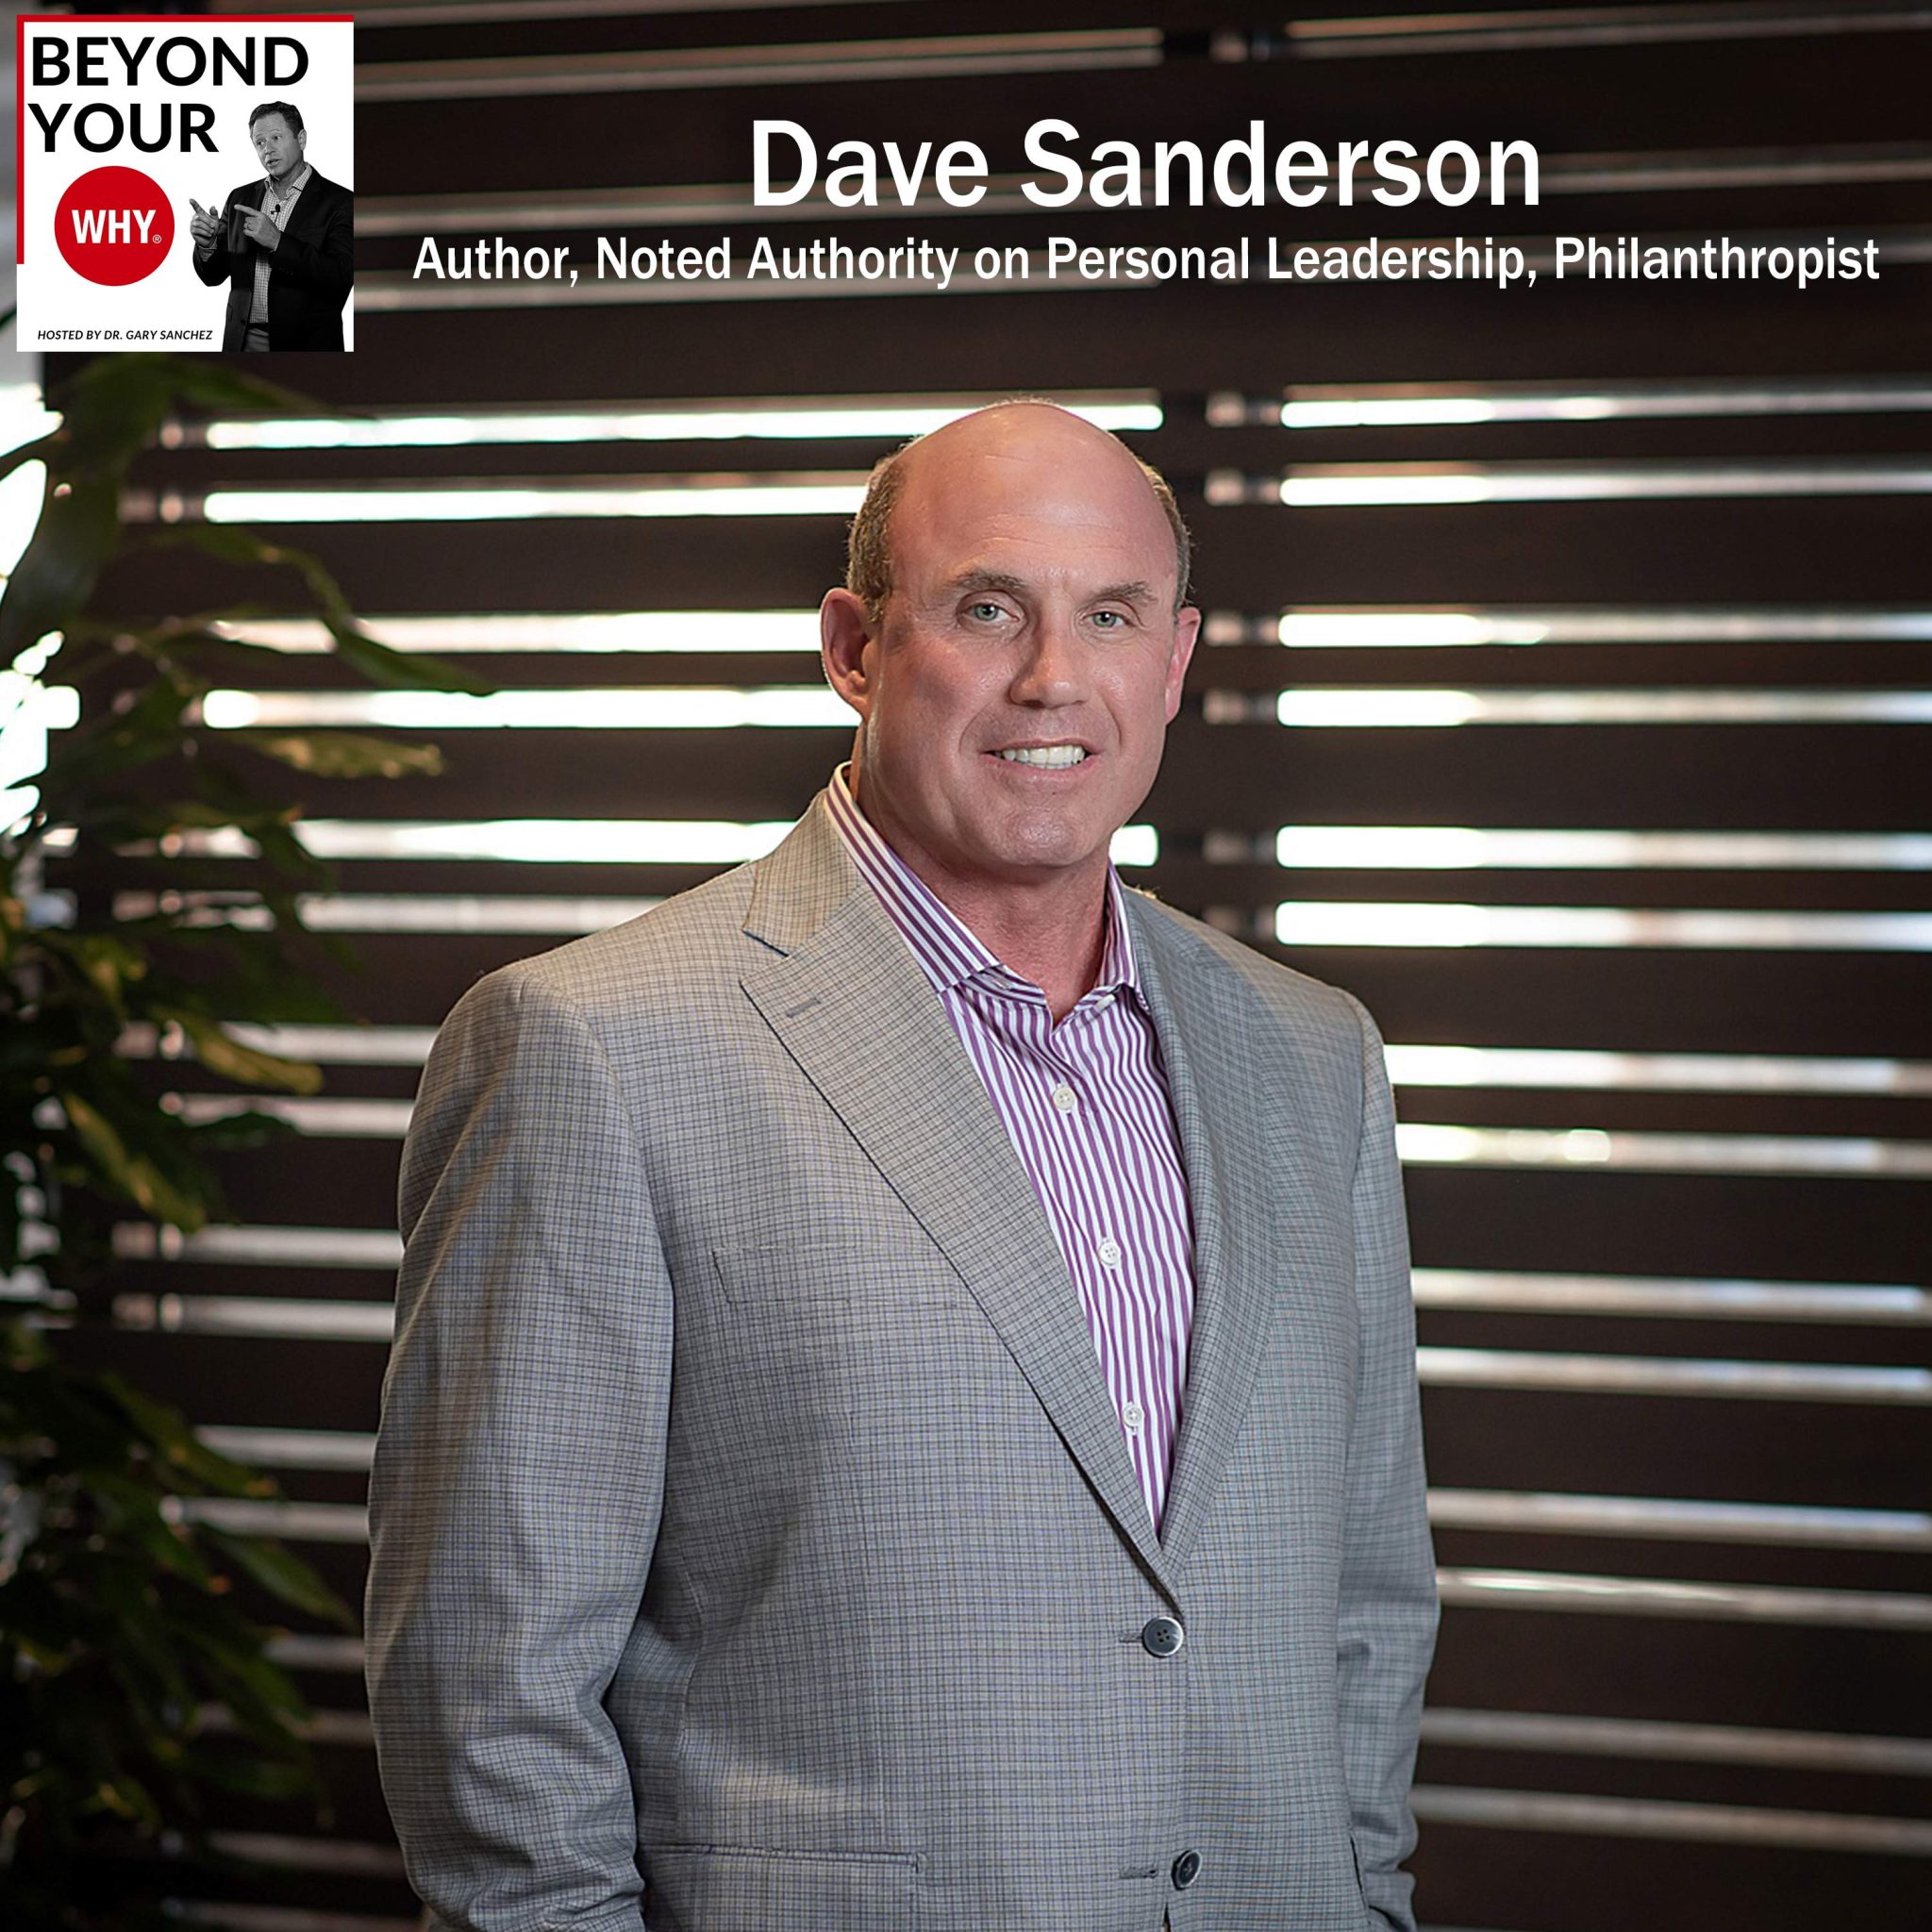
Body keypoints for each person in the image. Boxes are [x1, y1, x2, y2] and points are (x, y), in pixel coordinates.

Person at [365, 401, 1439, 1932]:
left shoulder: (1314, 1056)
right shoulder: (593, 1047)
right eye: (986, 608)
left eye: (1111, 614)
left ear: (1175, 659)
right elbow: (488, 1696)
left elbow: (1367, 1605)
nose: (1052, 676)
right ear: (855, 647)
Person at [189, 101, 352, 352]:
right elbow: (213, 276)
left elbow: (342, 274)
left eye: (276, 138)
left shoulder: (340, 201)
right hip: (242, 340)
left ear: (301, 139)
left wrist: (278, 242)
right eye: (260, 142)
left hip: (306, 345)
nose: (268, 149)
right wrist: (207, 244)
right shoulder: (240, 198)